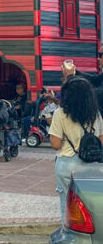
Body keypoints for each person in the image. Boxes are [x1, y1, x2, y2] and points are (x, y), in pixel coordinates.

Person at [49, 77, 103, 223]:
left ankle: (69, 236)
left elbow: (55, 144)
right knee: (90, 204)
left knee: (66, 204)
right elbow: (101, 141)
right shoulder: (95, 114)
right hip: (91, 163)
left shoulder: (60, 114)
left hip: (67, 164)